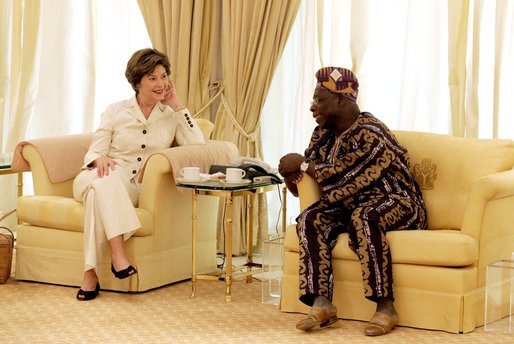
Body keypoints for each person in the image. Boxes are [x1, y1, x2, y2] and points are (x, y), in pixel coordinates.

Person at [278, 67, 427, 336]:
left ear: (341, 100)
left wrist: (302, 162)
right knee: (311, 218)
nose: (313, 107)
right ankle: (322, 303)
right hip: (349, 205)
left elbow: (349, 175)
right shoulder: (321, 134)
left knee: (364, 216)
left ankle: (386, 308)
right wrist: (291, 173)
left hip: (398, 202)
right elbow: (307, 185)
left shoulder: (372, 133)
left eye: (319, 100)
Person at [73, 48, 205, 301]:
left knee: (98, 195)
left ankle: (90, 273)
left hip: (133, 189)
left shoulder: (171, 115)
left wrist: (176, 104)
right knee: (104, 180)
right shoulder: (115, 111)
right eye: (152, 78)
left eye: (164, 76)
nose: (161, 83)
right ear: (137, 82)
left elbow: (197, 146)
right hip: (97, 175)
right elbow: (94, 152)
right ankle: (117, 256)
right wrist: (100, 159)